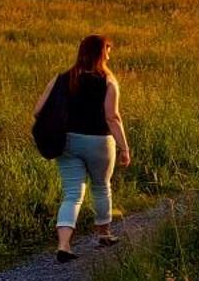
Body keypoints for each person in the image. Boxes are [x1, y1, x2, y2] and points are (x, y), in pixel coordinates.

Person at [33, 33, 130, 262]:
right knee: (101, 186)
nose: (109, 53)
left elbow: (38, 111)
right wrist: (124, 147)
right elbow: (112, 117)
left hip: (66, 142)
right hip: (99, 142)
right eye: (107, 49)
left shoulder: (61, 78)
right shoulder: (107, 81)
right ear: (100, 52)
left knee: (72, 194)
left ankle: (64, 245)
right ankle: (104, 235)